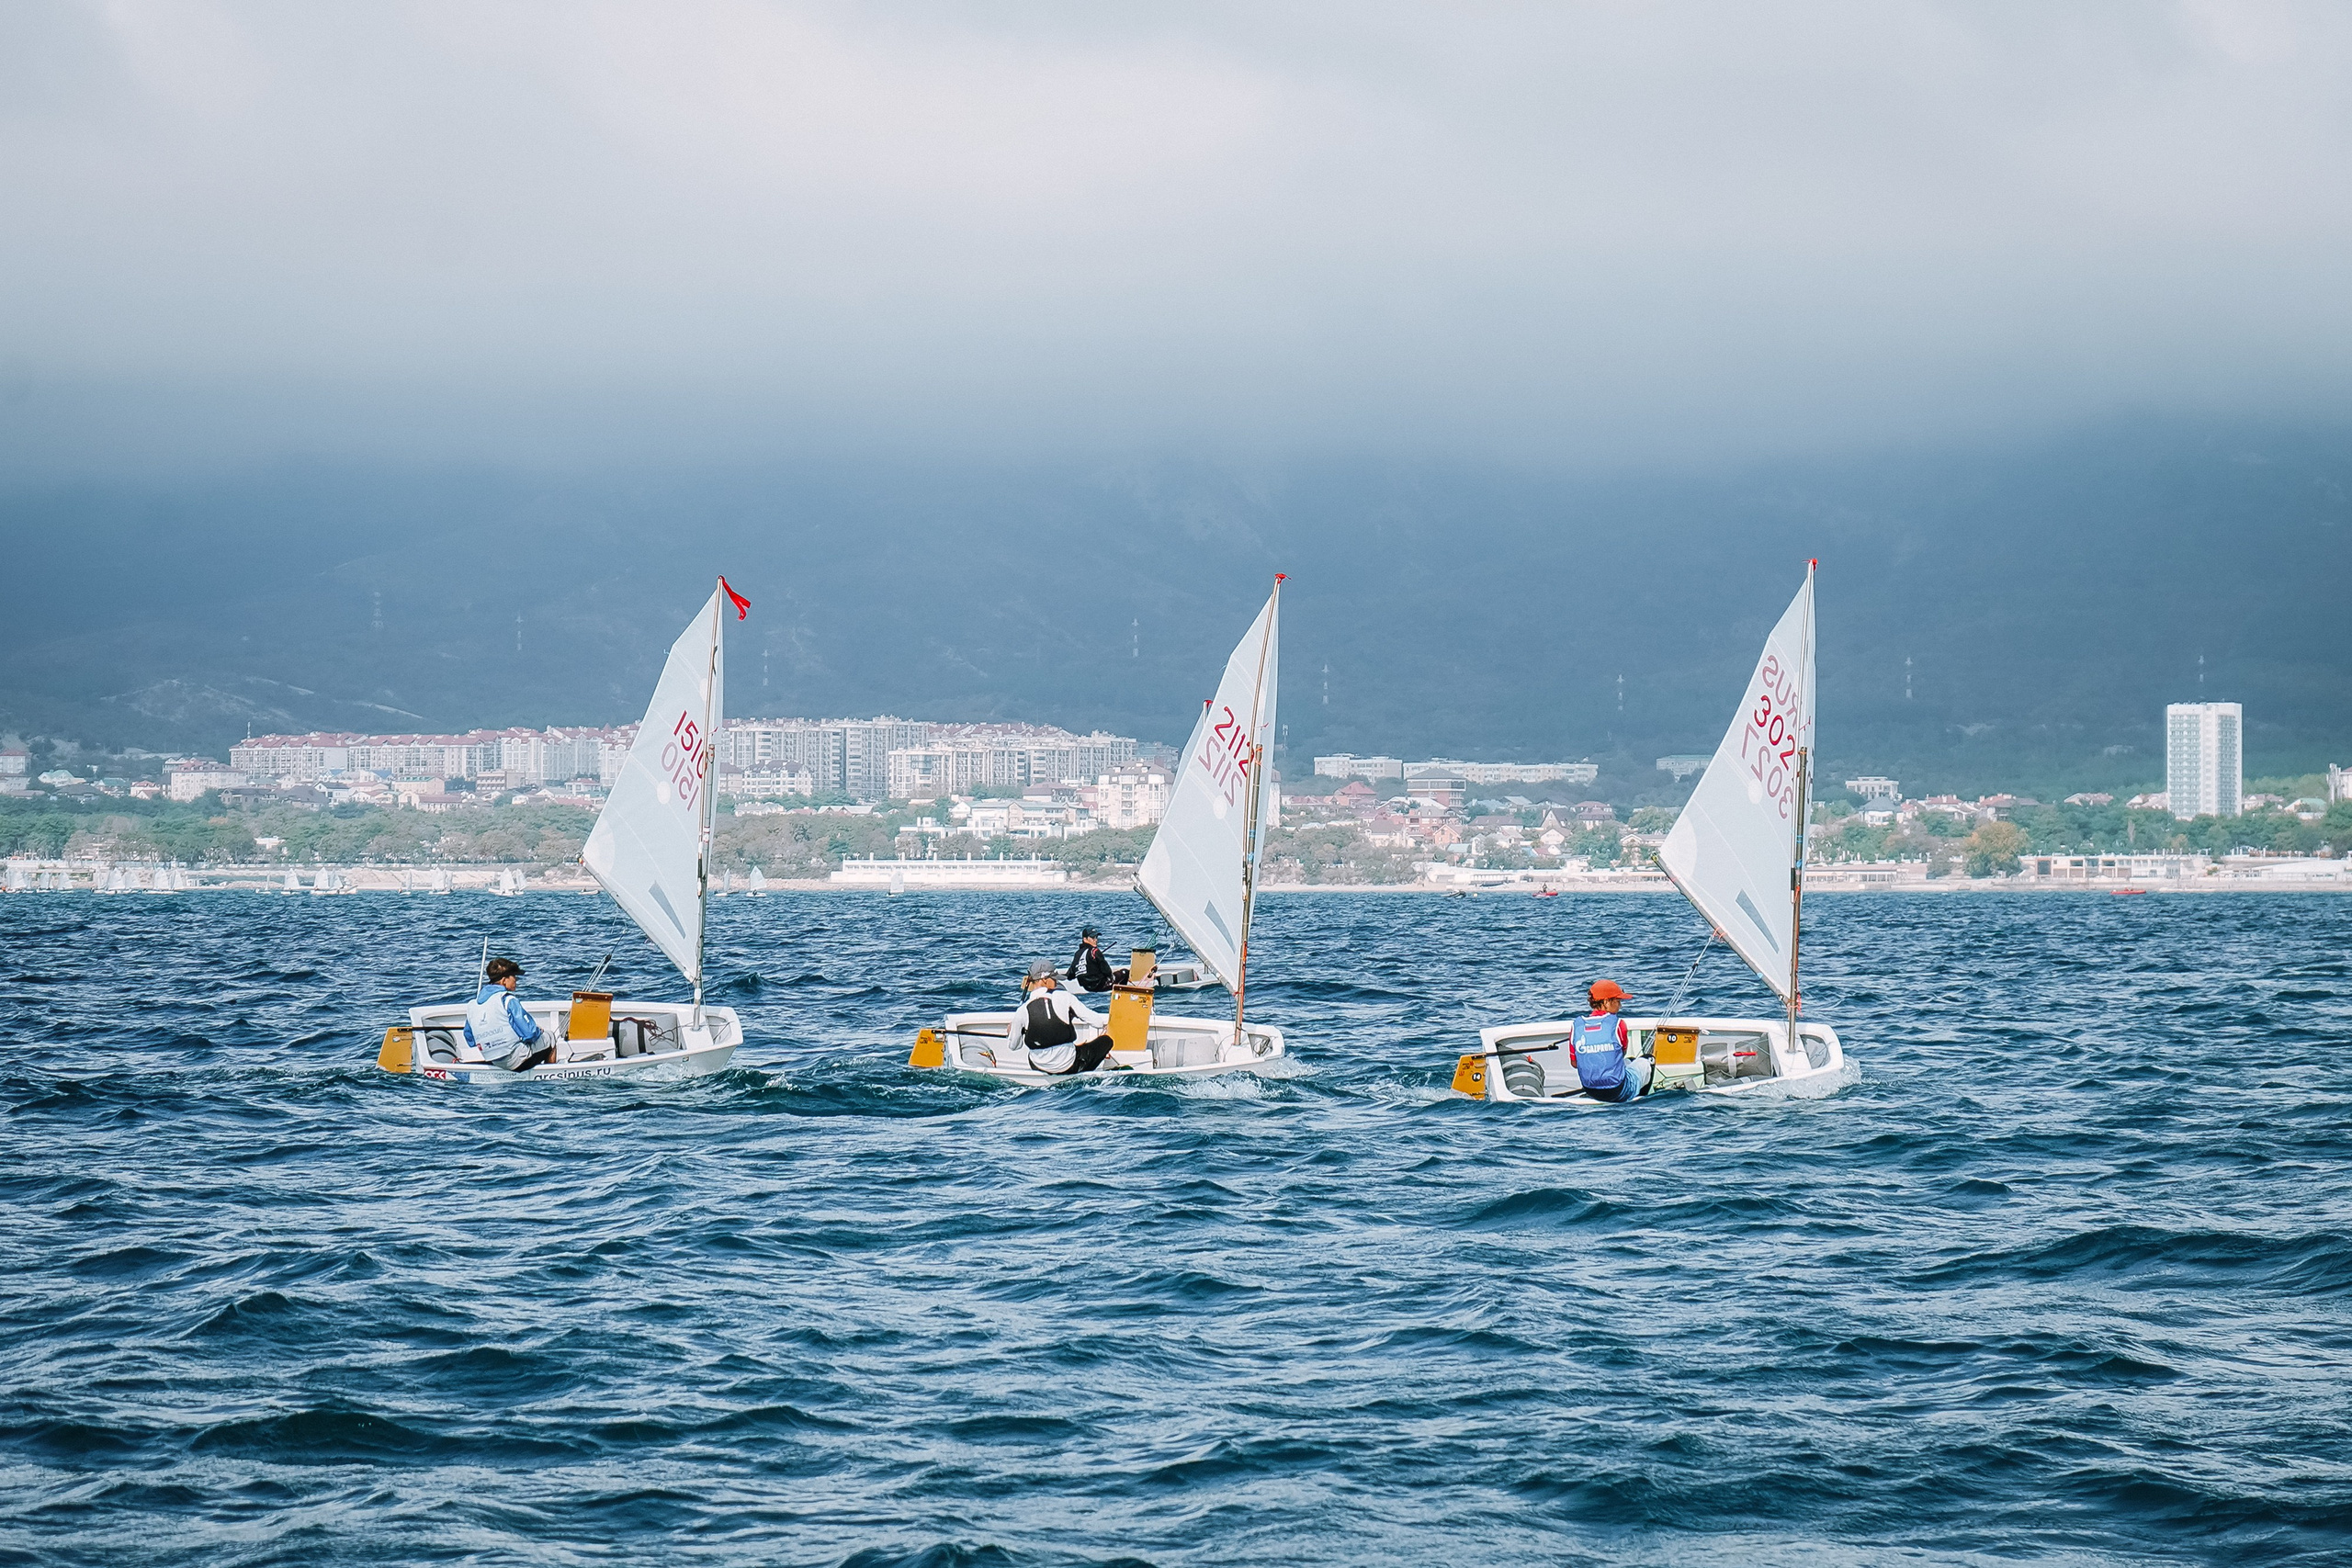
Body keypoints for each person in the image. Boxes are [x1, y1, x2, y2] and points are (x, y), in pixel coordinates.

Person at [1009, 960, 1115, 1074]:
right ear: (1044, 979)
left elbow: (1013, 1046)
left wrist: (1013, 1031)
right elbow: (1098, 1022)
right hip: (1070, 1066)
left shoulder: (1022, 1010)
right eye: (1054, 978)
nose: (1056, 982)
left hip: (1039, 1067)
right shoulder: (1065, 997)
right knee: (1107, 1041)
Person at [1566, 979, 1650, 1103]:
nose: (1620, 1005)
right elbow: (1620, 1055)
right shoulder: (1618, 1024)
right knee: (1648, 1060)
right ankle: (1641, 1103)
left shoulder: (1576, 1026)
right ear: (1606, 1002)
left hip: (1590, 1089)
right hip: (1618, 1090)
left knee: (1630, 1061)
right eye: (1617, 1001)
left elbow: (1575, 1063)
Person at [465, 957, 555, 1072]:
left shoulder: (472, 1005)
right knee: (550, 1036)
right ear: (503, 980)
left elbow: (470, 1040)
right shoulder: (508, 1000)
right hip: (516, 1061)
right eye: (514, 976)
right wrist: (539, 1031)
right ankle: (550, 1075)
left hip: (494, 1060)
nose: (516, 980)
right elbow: (530, 1033)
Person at [1066, 926, 1118, 992]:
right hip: (1099, 985)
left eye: (1096, 937)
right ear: (1085, 939)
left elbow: (1070, 975)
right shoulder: (1094, 951)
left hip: (1086, 987)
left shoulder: (1077, 954)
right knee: (1125, 973)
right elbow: (1107, 971)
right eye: (1093, 938)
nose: (1096, 940)